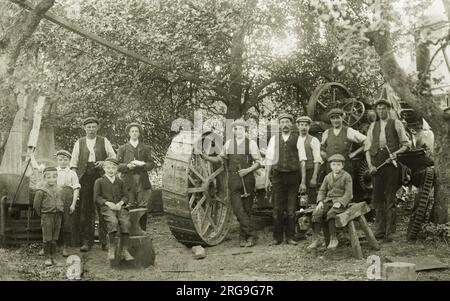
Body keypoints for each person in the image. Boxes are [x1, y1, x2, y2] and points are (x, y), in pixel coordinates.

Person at [202, 119, 262, 247]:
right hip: (233, 180)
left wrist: (247, 170)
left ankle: (244, 237)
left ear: (244, 130)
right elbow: (220, 159)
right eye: (236, 129)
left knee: (247, 209)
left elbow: (258, 162)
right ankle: (251, 234)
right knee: (237, 209)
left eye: (241, 129)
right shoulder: (228, 144)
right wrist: (207, 158)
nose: (238, 131)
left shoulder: (251, 144)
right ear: (234, 131)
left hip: (248, 179)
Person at [365, 99, 410, 242]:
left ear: (389, 109)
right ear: (376, 111)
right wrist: (370, 165)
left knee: (390, 199)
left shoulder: (396, 123)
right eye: (378, 109)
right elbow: (367, 149)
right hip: (377, 164)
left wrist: (395, 154)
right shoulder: (373, 126)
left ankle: (390, 233)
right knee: (377, 199)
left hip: (391, 165)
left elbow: (406, 144)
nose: (381, 111)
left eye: (383, 108)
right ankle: (379, 232)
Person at [70, 116, 116, 252]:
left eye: (93, 127)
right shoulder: (79, 142)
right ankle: (86, 241)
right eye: (88, 127)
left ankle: (104, 241)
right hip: (85, 178)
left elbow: (113, 157)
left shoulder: (104, 141)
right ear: (84, 128)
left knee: (102, 208)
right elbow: (73, 164)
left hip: (101, 178)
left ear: (97, 128)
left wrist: (104, 163)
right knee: (86, 209)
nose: (91, 129)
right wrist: (75, 180)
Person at [265, 113, 305, 246]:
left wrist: (303, 181)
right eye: (282, 122)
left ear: (291, 124)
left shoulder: (298, 139)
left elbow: (302, 161)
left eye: (287, 122)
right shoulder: (273, 139)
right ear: (279, 125)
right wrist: (266, 179)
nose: (285, 125)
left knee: (291, 209)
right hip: (278, 177)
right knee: (276, 209)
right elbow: (269, 160)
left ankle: (290, 237)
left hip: (293, 176)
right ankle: (277, 238)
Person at [307, 154, 353, 250]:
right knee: (317, 213)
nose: (336, 167)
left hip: (341, 202)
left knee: (331, 213)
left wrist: (340, 202)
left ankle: (333, 238)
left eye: (338, 165)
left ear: (342, 165)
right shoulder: (328, 177)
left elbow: (349, 193)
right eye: (334, 165)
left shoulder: (346, 176)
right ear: (331, 166)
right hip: (328, 201)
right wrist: (320, 201)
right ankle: (316, 239)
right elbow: (322, 191)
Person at [94, 158, 133, 261]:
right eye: (108, 167)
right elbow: (97, 197)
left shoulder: (120, 181)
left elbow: (126, 196)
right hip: (107, 208)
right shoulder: (99, 181)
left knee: (125, 223)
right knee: (113, 221)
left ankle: (125, 250)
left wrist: (120, 203)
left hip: (119, 207)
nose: (111, 170)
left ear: (117, 169)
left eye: (113, 168)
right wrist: (108, 203)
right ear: (104, 168)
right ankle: (112, 248)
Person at [117, 123, 155, 212]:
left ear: (139, 133)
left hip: (142, 179)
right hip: (127, 180)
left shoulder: (145, 148)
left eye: (136, 131)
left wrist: (144, 164)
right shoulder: (123, 148)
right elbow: (117, 165)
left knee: (143, 207)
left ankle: (142, 226)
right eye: (132, 131)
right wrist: (127, 166)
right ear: (129, 133)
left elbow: (151, 164)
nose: (134, 133)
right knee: (129, 206)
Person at [33, 167, 66, 266]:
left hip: (58, 215)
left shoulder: (60, 189)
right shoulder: (41, 191)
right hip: (47, 216)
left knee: (54, 237)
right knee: (47, 237)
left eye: (54, 177)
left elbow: (62, 201)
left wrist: (59, 209)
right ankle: (47, 257)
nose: (52, 179)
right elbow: (36, 205)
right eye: (49, 177)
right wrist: (43, 214)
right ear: (44, 178)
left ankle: (53, 257)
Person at [321, 108, 366, 172]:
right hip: (330, 169)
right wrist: (323, 153)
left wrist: (354, 153)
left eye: (338, 118)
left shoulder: (349, 131)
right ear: (330, 119)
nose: (335, 120)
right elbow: (322, 148)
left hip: (345, 168)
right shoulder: (326, 132)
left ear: (342, 118)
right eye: (333, 118)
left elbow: (367, 141)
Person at [55, 150, 80, 257]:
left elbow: (76, 189)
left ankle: (65, 247)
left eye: (65, 160)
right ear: (57, 160)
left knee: (66, 223)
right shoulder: (54, 171)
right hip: (56, 198)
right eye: (60, 159)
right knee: (55, 221)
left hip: (68, 199)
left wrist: (73, 204)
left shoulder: (72, 173)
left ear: (69, 161)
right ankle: (53, 245)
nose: (63, 162)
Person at [296, 116, 322, 205]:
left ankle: (310, 216)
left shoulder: (314, 140)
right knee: (297, 196)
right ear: (297, 126)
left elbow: (317, 160)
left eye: (306, 125)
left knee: (310, 195)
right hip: (296, 172)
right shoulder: (295, 139)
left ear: (309, 127)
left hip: (310, 171)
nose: (303, 127)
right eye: (301, 125)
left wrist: (314, 177)